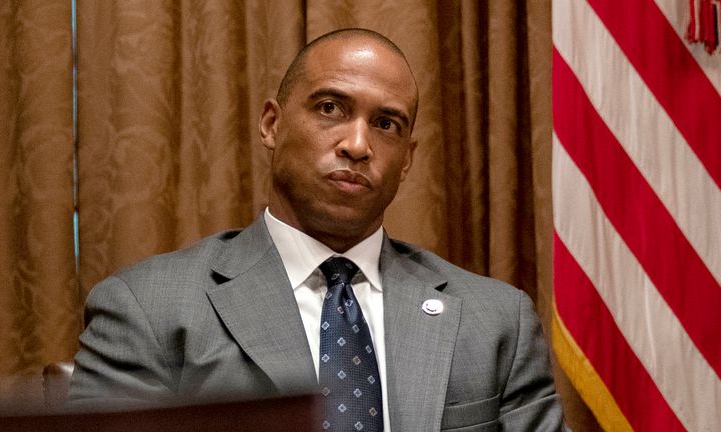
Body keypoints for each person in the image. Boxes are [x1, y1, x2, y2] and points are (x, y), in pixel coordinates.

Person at [69, 28, 563, 431]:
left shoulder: (497, 321)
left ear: (408, 159)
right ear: (271, 125)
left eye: (387, 124)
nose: (357, 144)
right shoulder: (148, 309)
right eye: (331, 108)